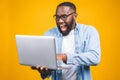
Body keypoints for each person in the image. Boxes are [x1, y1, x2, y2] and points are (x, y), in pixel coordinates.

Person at [32, 2, 101, 80]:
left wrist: (64, 57)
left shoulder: (89, 31)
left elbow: (94, 57)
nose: (60, 21)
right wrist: (45, 72)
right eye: (57, 17)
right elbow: (47, 67)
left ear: (74, 16)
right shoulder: (48, 34)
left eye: (64, 16)